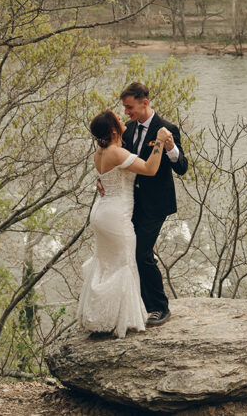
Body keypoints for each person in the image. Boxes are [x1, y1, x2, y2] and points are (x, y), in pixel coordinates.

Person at [77, 110, 172, 337]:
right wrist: (159, 141)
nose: (122, 119)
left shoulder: (99, 153)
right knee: (124, 263)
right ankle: (119, 319)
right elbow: (150, 169)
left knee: (105, 263)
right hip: (116, 217)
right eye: (118, 120)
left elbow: (107, 178)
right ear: (112, 130)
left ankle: (101, 318)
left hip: (101, 212)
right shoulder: (116, 152)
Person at [117, 82, 188, 327]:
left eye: (130, 107)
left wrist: (171, 148)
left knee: (142, 253)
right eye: (125, 108)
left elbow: (182, 168)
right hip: (129, 202)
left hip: (156, 204)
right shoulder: (126, 130)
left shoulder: (166, 128)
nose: (126, 112)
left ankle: (160, 308)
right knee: (130, 252)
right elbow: (120, 162)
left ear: (144, 103)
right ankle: (140, 305)